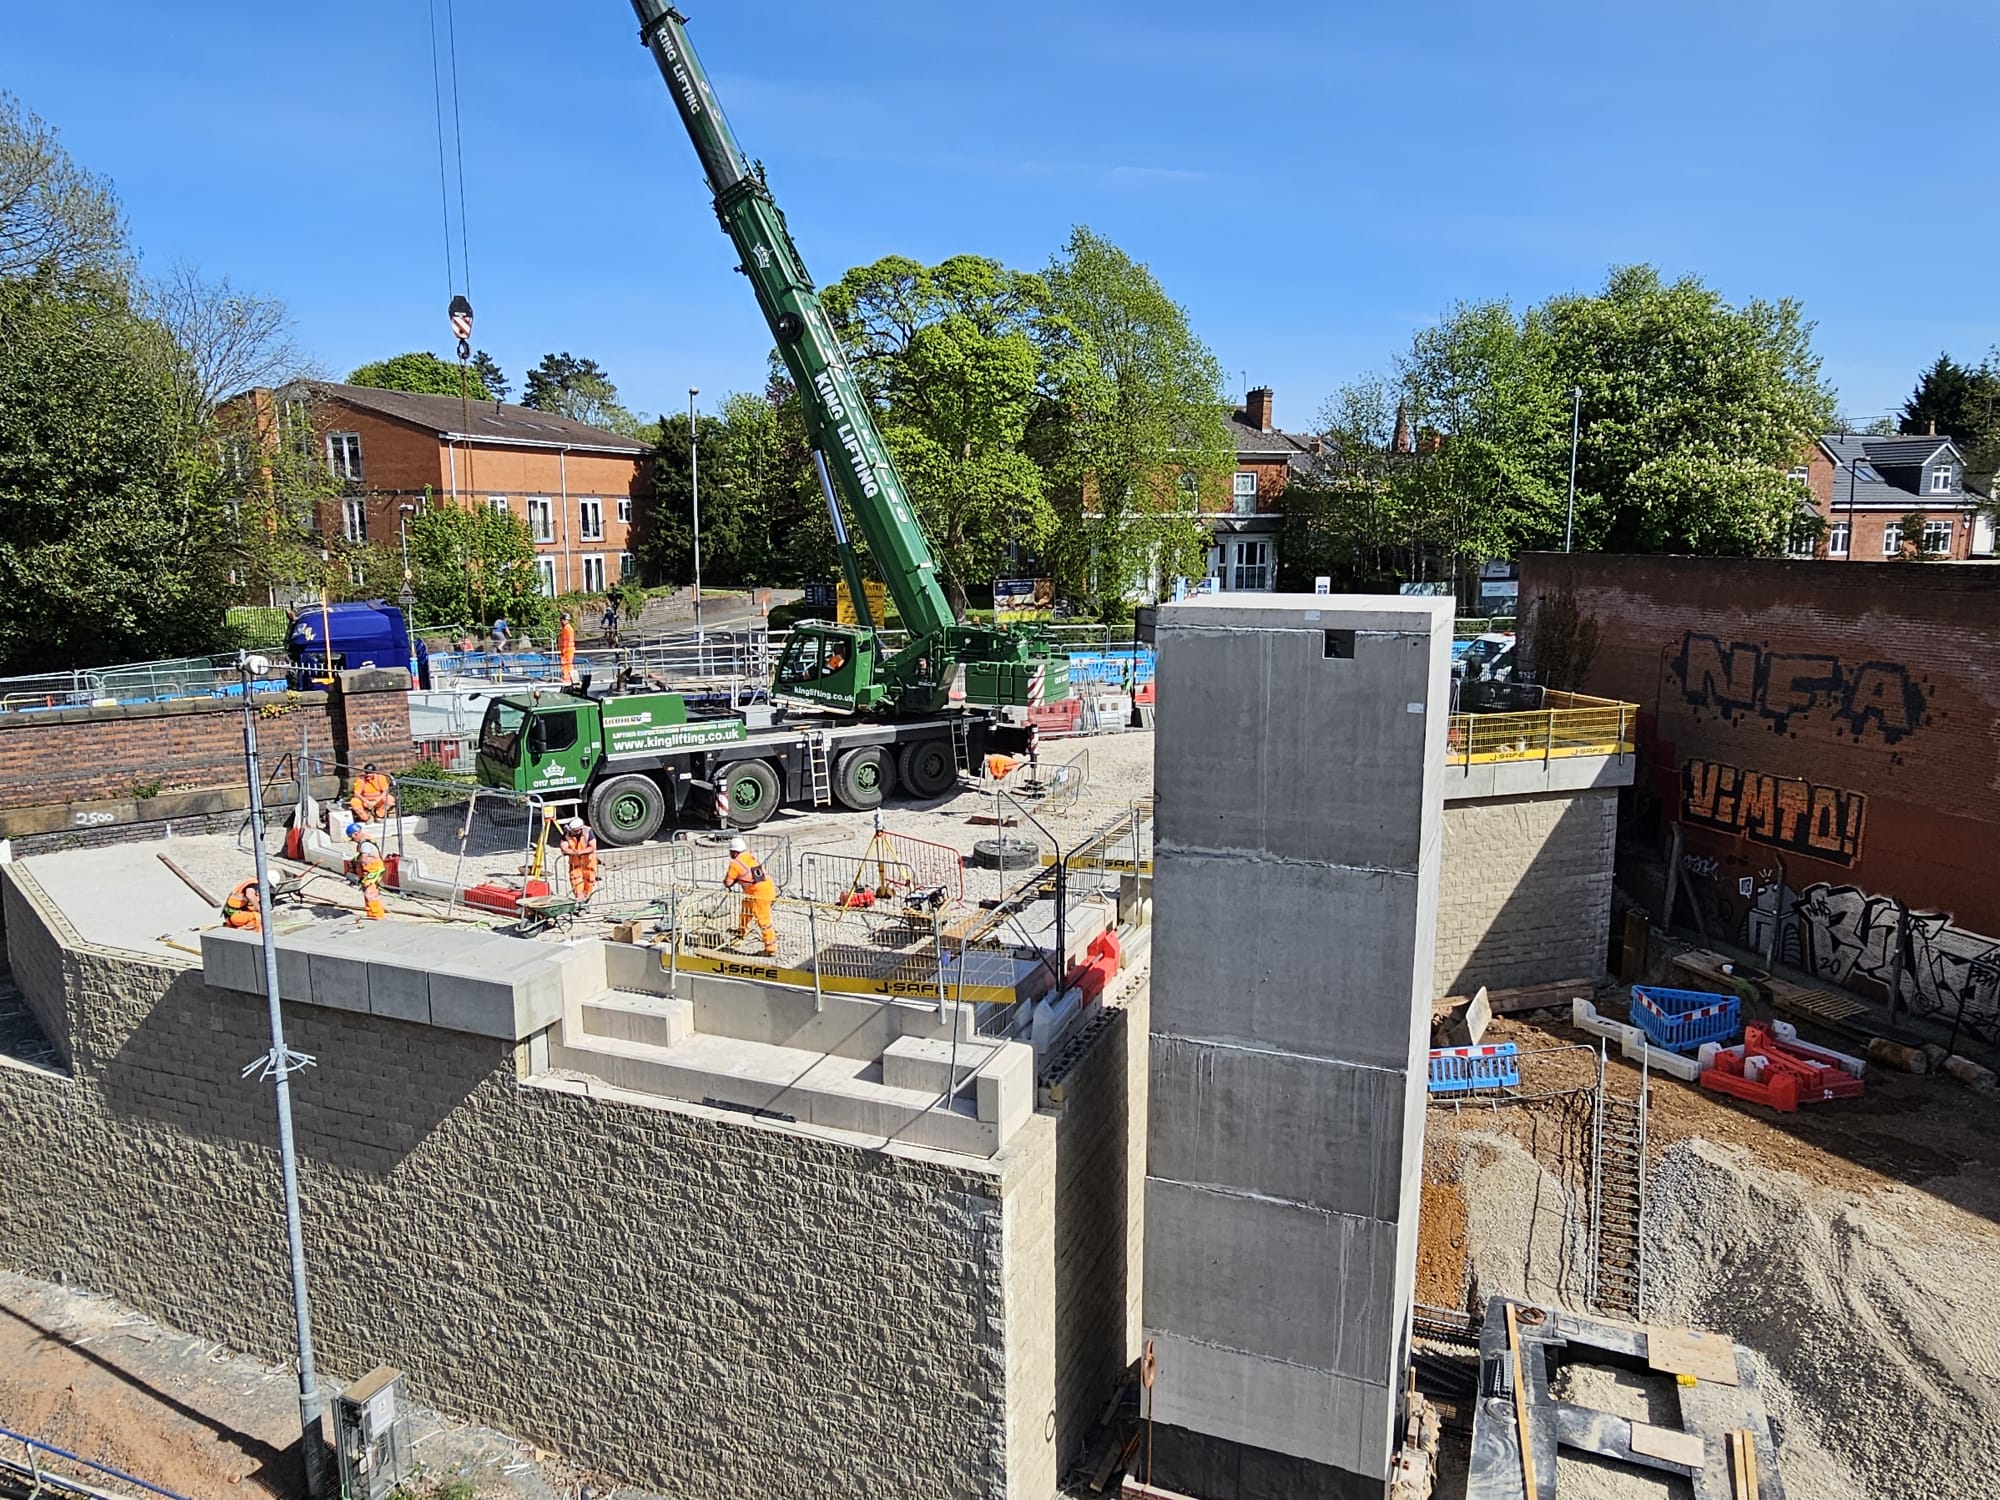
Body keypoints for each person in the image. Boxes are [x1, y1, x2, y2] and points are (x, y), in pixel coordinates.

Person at [722, 835, 778, 958]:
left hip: (759, 894)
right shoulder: (750, 856)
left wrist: (730, 881)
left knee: (763, 920)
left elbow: (728, 882)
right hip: (765, 888)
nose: (730, 854)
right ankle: (742, 931)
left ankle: (770, 948)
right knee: (746, 909)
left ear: (735, 852)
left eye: (731, 852)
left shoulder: (735, 864)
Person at [346, 822, 387, 920]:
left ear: (355, 834)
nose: (353, 840)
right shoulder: (364, 841)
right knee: (367, 892)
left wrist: (355, 862)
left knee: (370, 894)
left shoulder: (365, 845)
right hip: (368, 872)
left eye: (352, 838)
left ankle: (378, 916)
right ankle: (371, 914)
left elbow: (364, 859)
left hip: (373, 872)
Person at [559, 816, 599, 901]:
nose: (571, 833)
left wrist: (581, 852)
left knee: (589, 881)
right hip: (575, 864)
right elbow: (564, 848)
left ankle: (585, 899)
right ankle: (579, 900)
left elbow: (592, 847)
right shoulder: (567, 834)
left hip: (589, 863)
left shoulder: (588, 832)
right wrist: (575, 853)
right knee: (576, 882)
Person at [557, 612, 577, 682]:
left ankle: (566, 679)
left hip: (567, 649)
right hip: (569, 648)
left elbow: (565, 640)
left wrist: (563, 650)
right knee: (569, 664)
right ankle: (570, 678)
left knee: (565, 664)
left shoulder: (566, 628)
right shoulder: (568, 628)